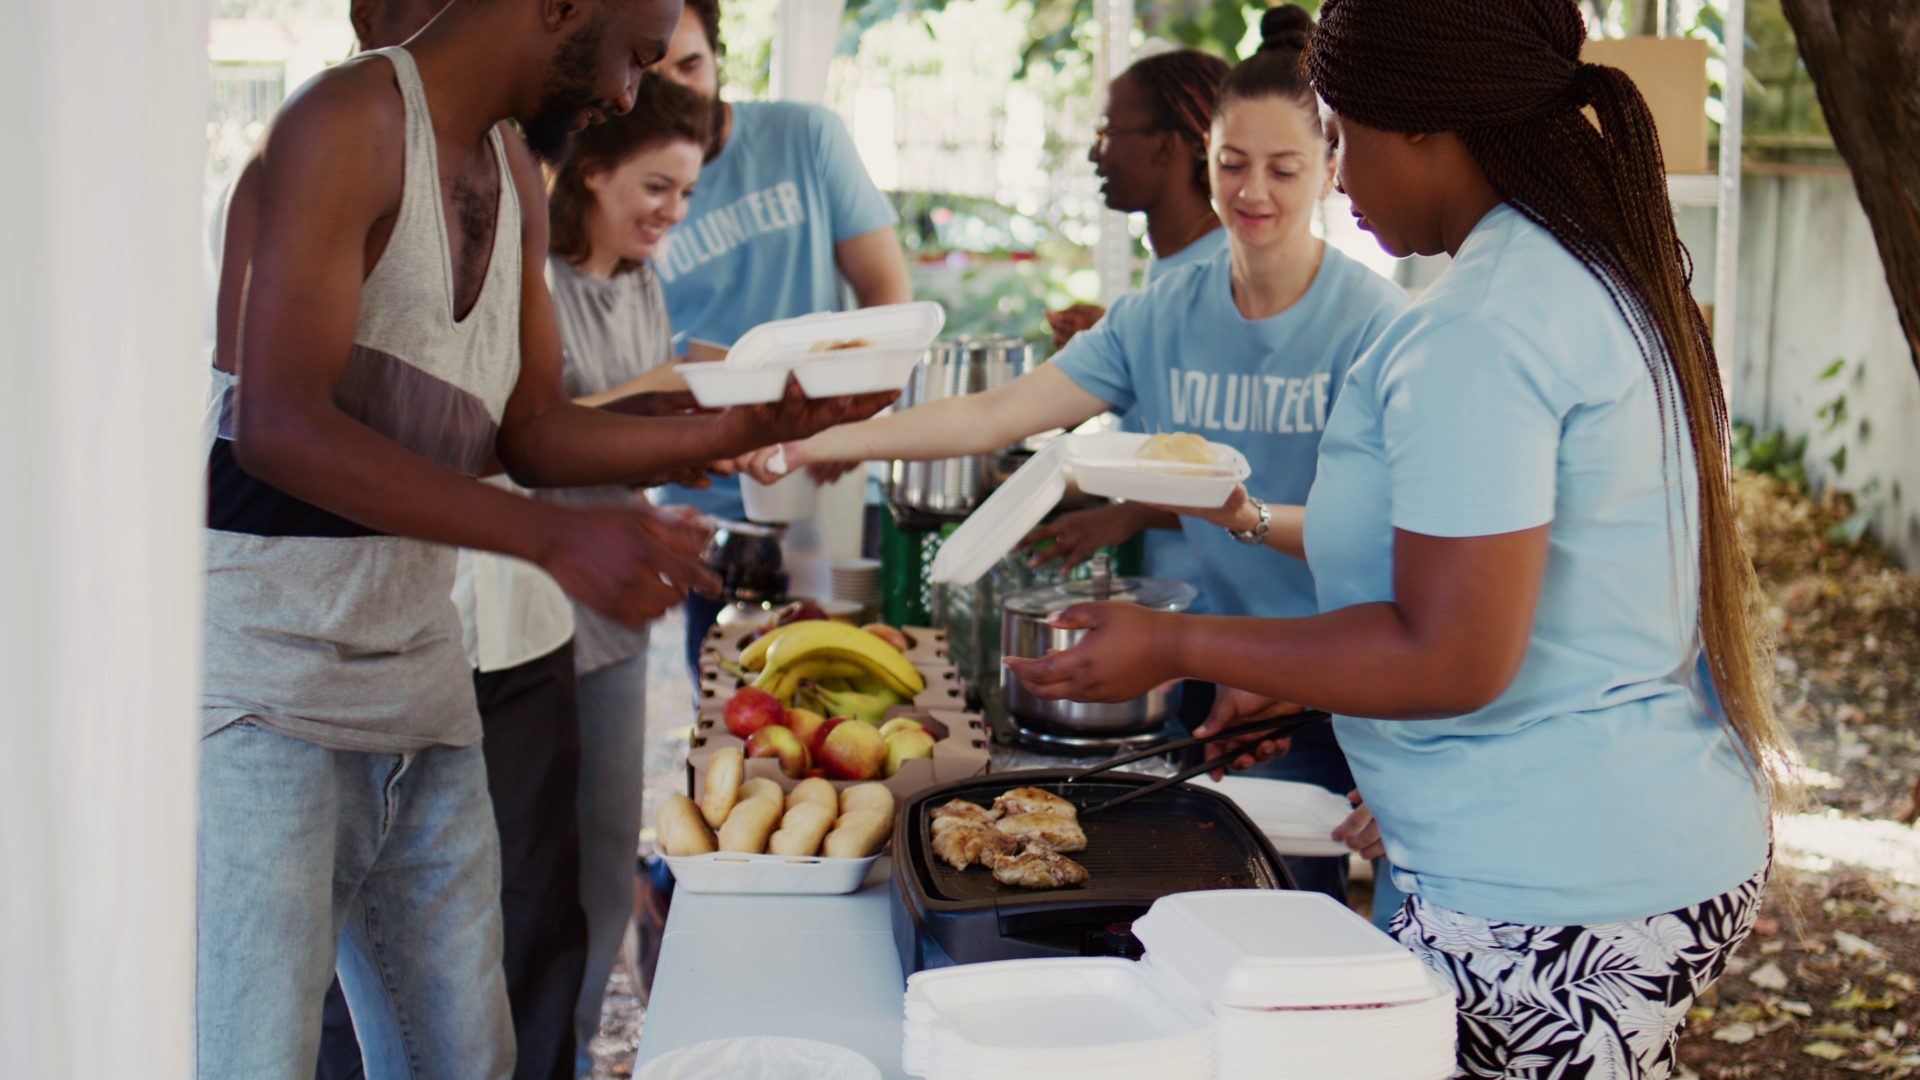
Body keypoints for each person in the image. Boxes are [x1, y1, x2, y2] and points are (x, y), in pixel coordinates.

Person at [1002, 0, 1784, 1074]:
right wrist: (1306, 679)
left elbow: (1452, 650)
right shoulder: (1580, 274)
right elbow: (1516, 594)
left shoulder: (1478, 326)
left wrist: (1176, 643)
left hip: (1554, 893)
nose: (1342, 174)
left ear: (1422, 127)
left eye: (1345, 134)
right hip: (1631, 845)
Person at [198, 0, 893, 1073]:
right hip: (268, 694)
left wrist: (744, 425)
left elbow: (523, 430)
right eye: (629, 56)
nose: (626, 94)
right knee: (258, 1053)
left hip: (415, 678)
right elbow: (279, 428)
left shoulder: (514, 171)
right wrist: (549, 540)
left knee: (467, 1053)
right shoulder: (349, 122)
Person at [744, 6, 1408, 908]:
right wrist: (820, 440)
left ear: (1330, 169)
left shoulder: (1378, 327)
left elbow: (1414, 553)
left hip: (1352, 675)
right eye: (1232, 165)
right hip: (1218, 673)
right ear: (1203, 158)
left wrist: (1409, 752)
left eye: (1284, 169)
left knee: (1322, 926)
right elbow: (994, 415)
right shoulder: (1161, 312)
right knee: (1220, 905)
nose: (1254, 193)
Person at [649, 0, 914, 680]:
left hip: (830, 481)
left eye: (692, 64)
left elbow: (889, 296)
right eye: (655, 71)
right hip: (713, 502)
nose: (679, 90)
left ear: (719, 57)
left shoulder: (807, 136)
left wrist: (845, 424)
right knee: (732, 712)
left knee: (859, 680)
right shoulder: (627, 186)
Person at [536, 76, 714, 1078]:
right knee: (525, 871)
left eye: (685, 194)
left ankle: (567, 1054)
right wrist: (683, 420)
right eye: (656, 188)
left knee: (606, 862)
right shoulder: (537, 282)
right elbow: (537, 441)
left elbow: (628, 443)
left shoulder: (641, 283)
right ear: (592, 173)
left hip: (609, 622)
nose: (671, 214)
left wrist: (681, 468)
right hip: (524, 616)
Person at [1033, 47, 1230, 611]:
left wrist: (1124, 515)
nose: (1096, 155)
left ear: (1167, 143)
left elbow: (1240, 471)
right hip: (1175, 598)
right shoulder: (1171, 267)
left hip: (1218, 612)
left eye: (1108, 132)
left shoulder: (1217, 277)